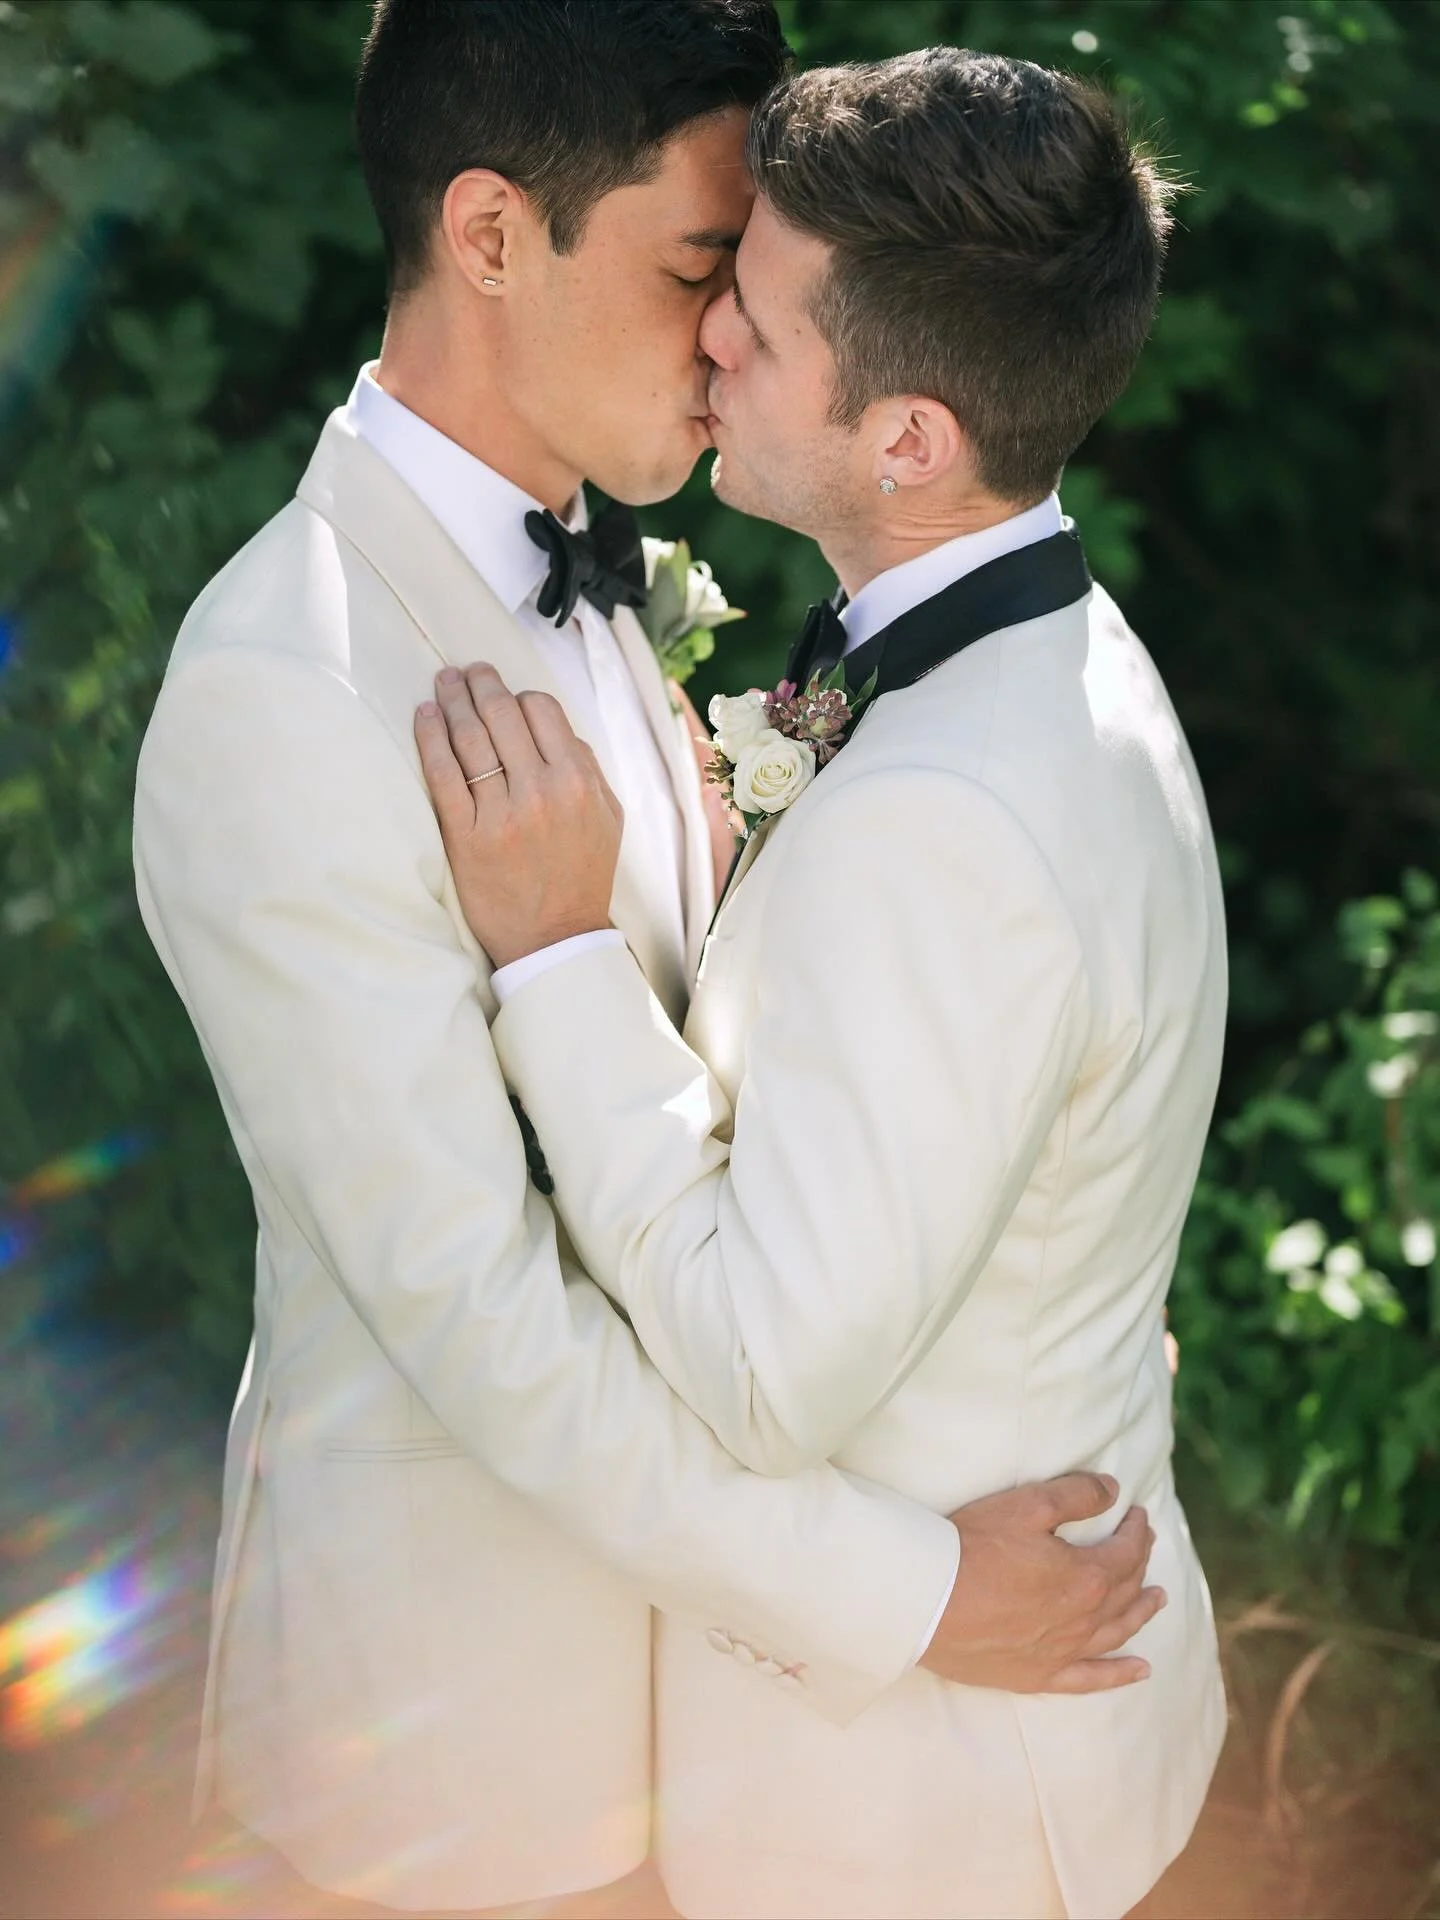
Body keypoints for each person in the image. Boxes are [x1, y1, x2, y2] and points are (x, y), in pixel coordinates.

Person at [132, 6, 1161, 1917]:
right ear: (495, 235)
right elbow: (488, 1330)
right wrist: (918, 1591)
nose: (726, 338)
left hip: (719, 1768)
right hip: (459, 1775)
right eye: (702, 265)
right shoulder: (286, 692)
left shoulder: (607, 567)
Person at [413, 45, 1227, 1920]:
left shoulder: (949, 814)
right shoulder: (1064, 657)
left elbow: (767, 1375)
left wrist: (554, 961)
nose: (704, 342)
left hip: (917, 1835)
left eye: (757, 328)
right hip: (1041, 1767)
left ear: (909, 437)